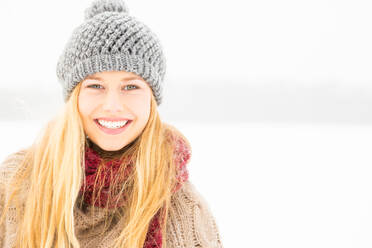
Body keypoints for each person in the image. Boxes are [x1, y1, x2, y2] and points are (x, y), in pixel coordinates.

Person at [0, 0, 224, 247]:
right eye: (95, 86)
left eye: (131, 87)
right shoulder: (17, 183)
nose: (112, 105)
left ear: (151, 99)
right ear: (74, 97)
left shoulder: (184, 210)